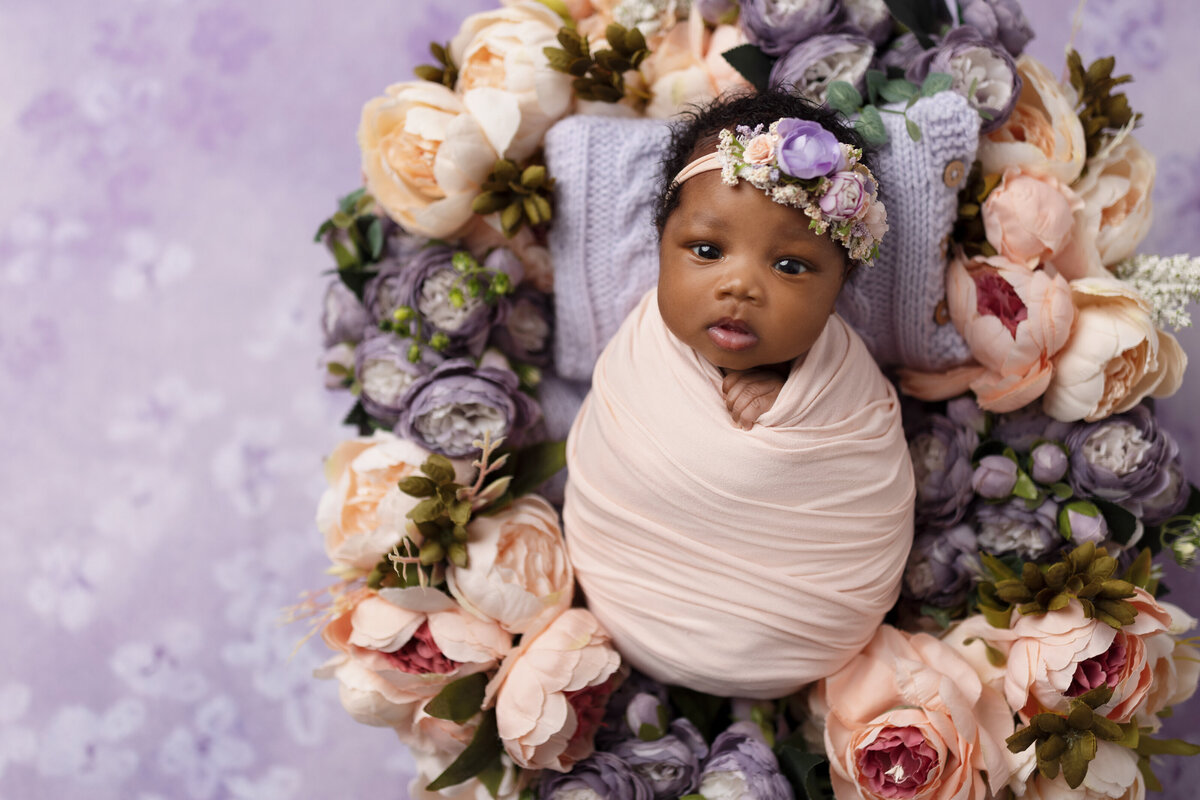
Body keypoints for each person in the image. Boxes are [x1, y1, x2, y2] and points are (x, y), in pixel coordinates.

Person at [562, 89, 917, 699]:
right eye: (706, 251)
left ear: (841, 287)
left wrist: (787, 397)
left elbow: (862, 488)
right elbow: (616, 461)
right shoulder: (641, 355)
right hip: (632, 595)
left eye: (791, 266)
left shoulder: (845, 388)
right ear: (661, 246)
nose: (740, 285)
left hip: (806, 630)